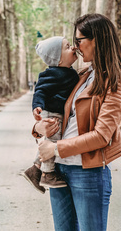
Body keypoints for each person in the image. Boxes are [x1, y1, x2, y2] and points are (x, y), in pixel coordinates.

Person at [33, 13, 121, 231]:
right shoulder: (82, 74)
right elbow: (59, 112)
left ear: (96, 39)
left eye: (79, 40)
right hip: (60, 170)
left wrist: (55, 148)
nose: (76, 47)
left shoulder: (117, 78)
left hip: (87, 173)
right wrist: (38, 127)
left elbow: (101, 136)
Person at [22, 36, 79, 194]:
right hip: (53, 113)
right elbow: (40, 90)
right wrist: (37, 106)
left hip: (59, 112)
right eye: (68, 47)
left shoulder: (69, 72)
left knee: (50, 139)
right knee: (53, 139)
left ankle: (35, 169)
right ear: (58, 60)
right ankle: (48, 173)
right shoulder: (52, 73)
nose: (73, 48)